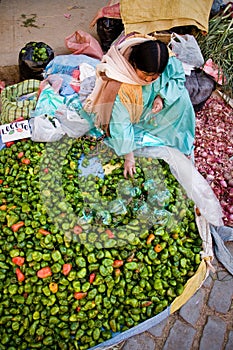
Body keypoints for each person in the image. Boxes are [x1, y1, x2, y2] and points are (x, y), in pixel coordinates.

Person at [84, 34, 195, 178]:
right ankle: (145, 137)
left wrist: (162, 97)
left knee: (183, 101)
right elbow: (121, 124)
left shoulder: (168, 60)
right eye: (145, 75)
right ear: (134, 64)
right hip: (133, 112)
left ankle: (179, 144)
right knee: (121, 134)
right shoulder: (121, 86)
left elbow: (178, 77)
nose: (148, 80)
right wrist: (128, 157)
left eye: (155, 77)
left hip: (154, 102)